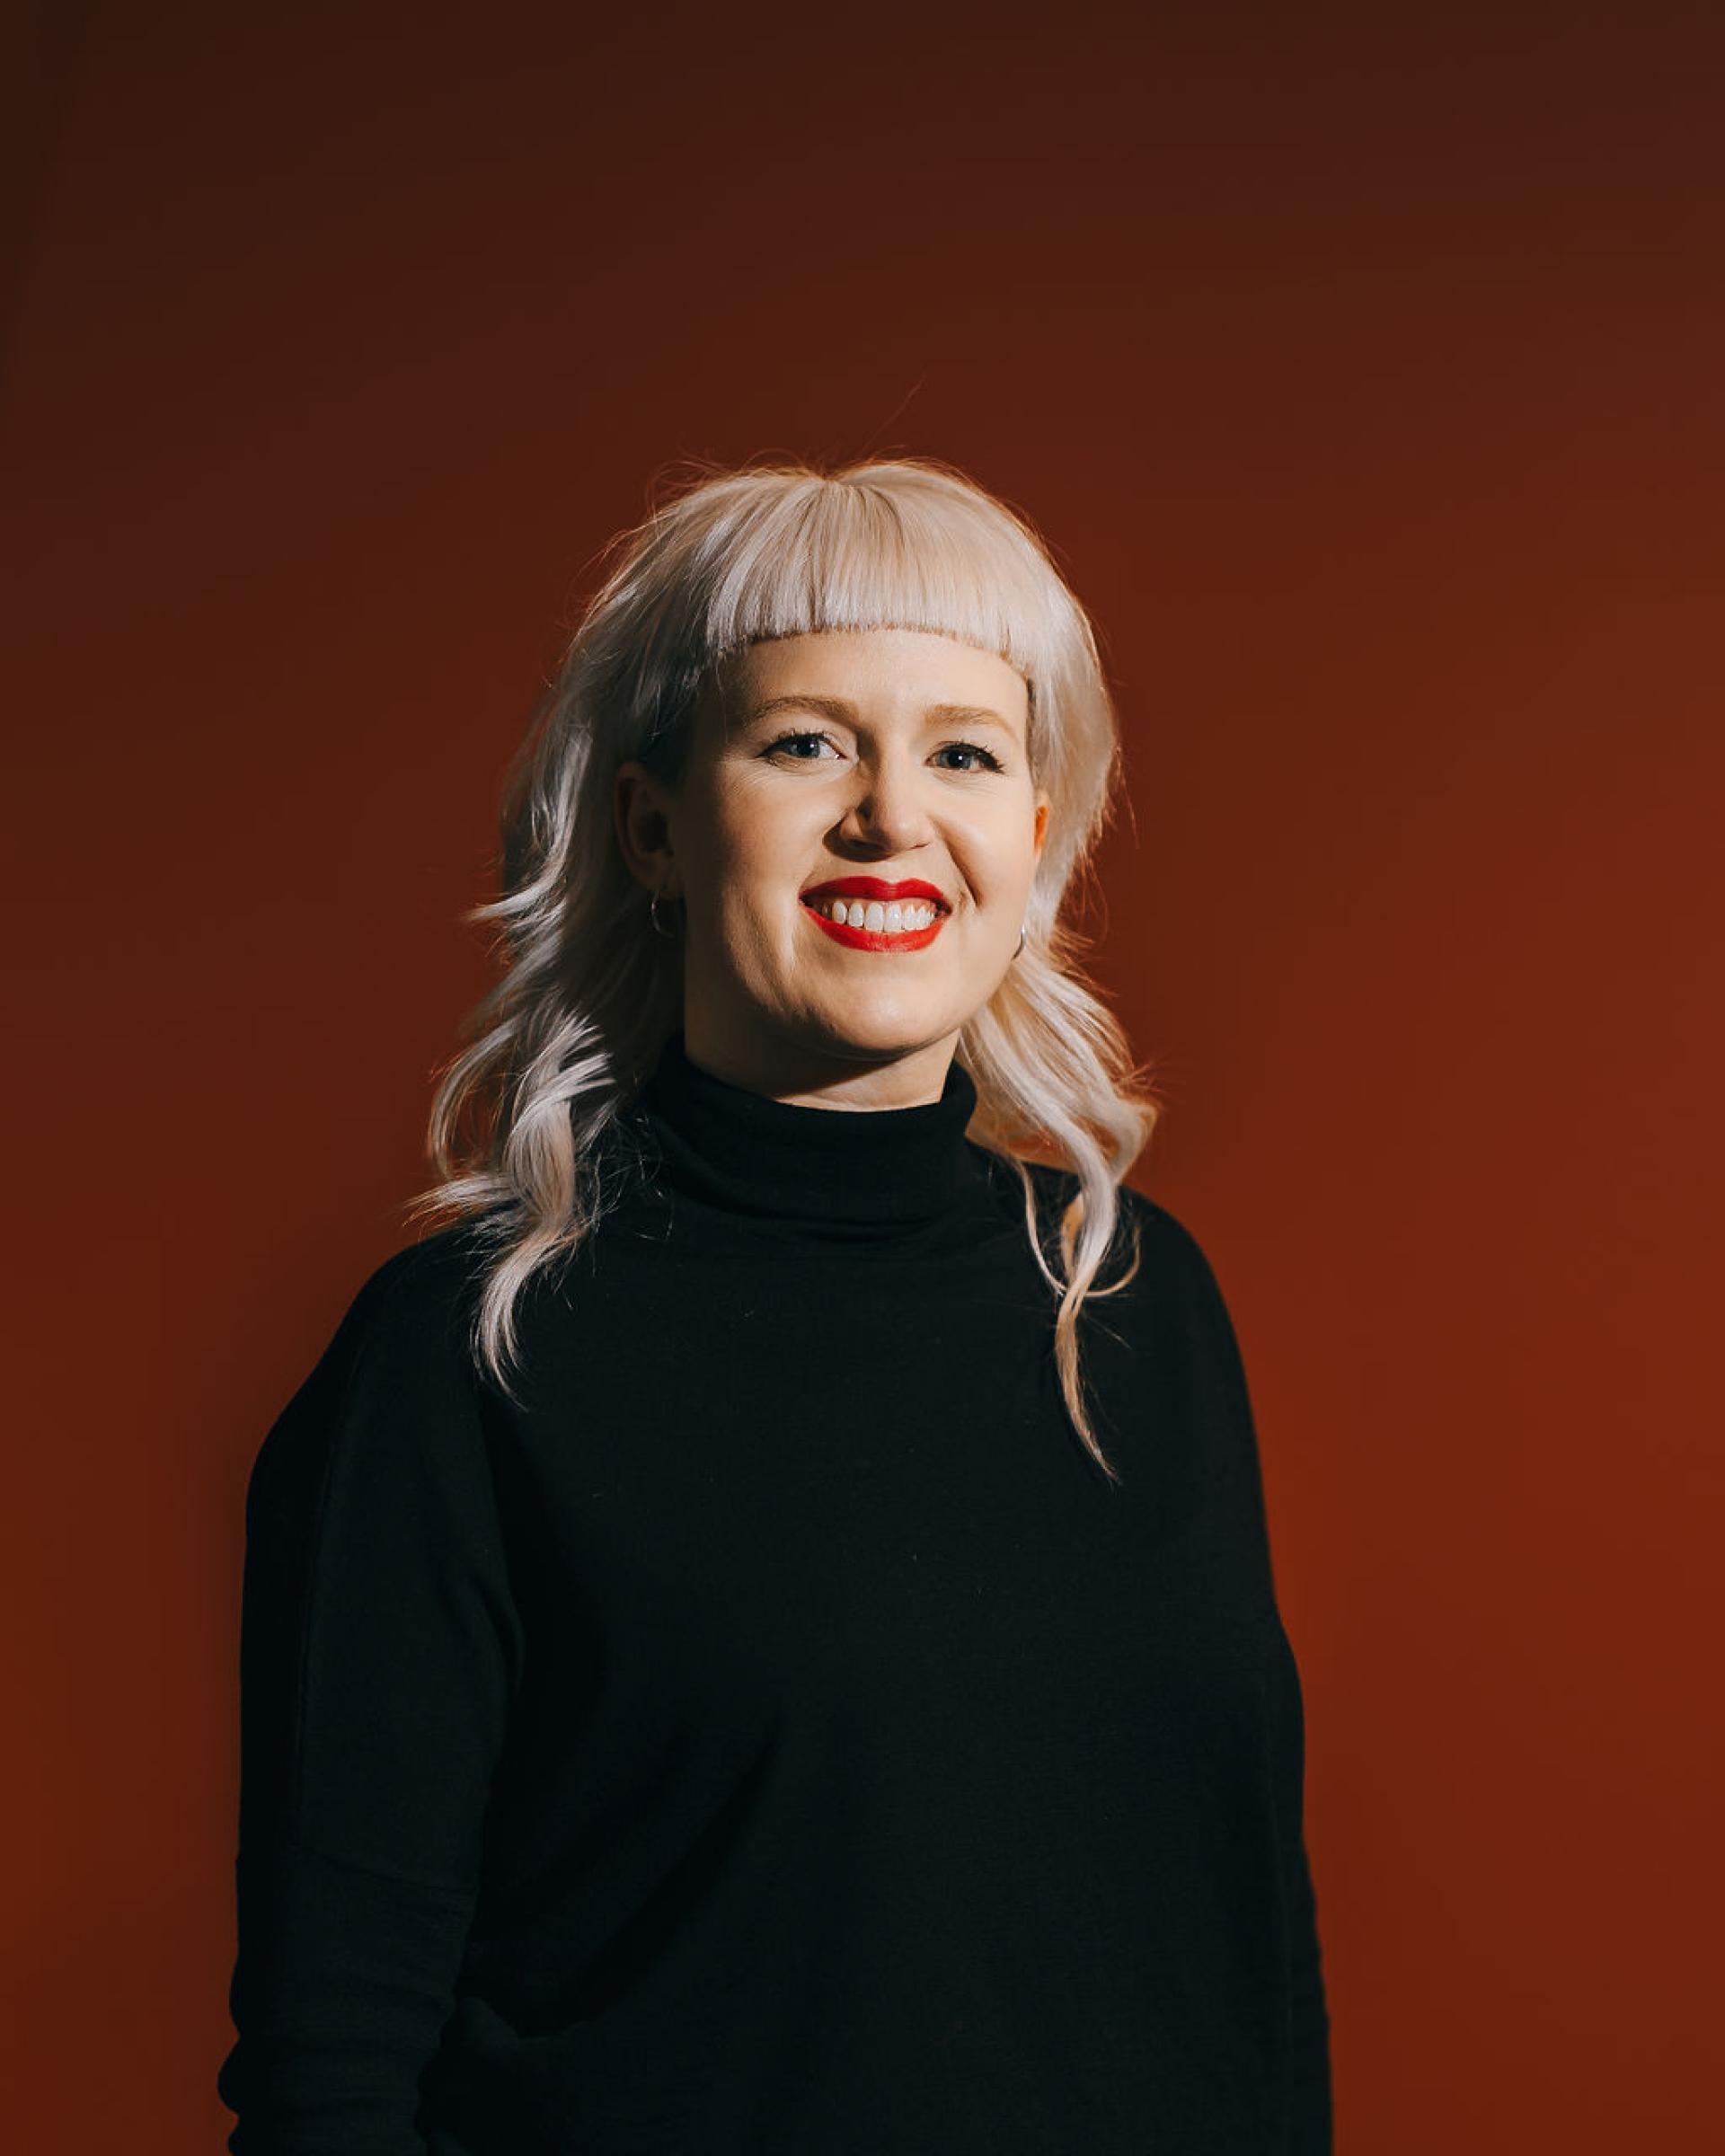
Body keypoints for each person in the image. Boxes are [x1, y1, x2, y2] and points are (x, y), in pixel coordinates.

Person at [217, 455, 1333, 2153]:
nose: (893, 816)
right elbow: (332, 2072)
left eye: (965, 752)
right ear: (654, 826)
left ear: (1033, 840)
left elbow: (1233, 1962)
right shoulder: (463, 1354)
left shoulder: (1127, 1293)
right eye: (807, 742)